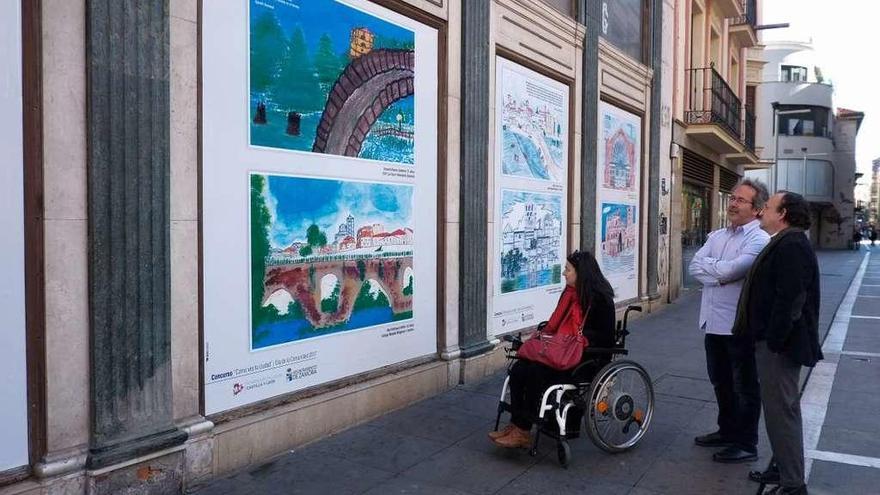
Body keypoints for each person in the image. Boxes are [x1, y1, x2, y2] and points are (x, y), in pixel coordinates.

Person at [733, 191, 822, 495]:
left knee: (781, 413)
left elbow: (791, 299)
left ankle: (793, 484)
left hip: (780, 348)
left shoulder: (792, 244)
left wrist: (773, 339)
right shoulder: (785, 242)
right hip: (776, 343)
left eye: (768, 207)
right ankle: (783, 468)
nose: (761, 212)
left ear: (782, 213)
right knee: (779, 411)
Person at [490, 250, 616, 448]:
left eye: (567, 270)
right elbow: (555, 324)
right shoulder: (570, 294)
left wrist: (578, 339)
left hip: (585, 359)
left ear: (581, 273)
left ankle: (523, 430)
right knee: (518, 369)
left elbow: (607, 338)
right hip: (560, 351)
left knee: (535, 372)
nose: (564, 273)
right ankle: (515, 424)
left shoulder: (600, 300)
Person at [689, 179, 770, 463]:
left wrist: (716, 272)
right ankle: (726, 431)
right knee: (720, 381)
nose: (733, 204)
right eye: (732, 198)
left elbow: (733, 271)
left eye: (740, 200)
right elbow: (694, 266)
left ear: (758, 209)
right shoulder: (717, 236)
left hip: (739, 326)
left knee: (744, 386)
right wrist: (718, 272)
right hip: (712, 322)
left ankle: (746, 443)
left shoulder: (759, 239)